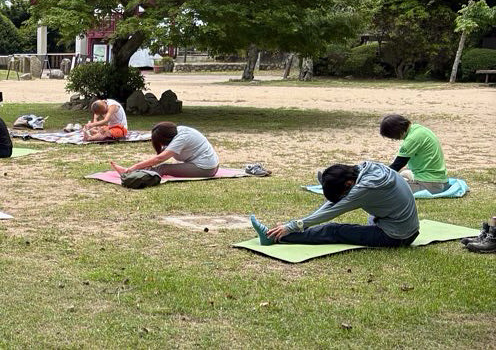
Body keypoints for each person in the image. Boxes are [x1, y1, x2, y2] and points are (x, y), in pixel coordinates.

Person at [250, 161, 419, 248]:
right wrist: (298, 223)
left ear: (348, 184)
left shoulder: (364, 188)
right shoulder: (365, 168)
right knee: (353, 228)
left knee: (334, 230)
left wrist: (293, 226)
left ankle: (274, 237)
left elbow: (332, 211)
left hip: (398, 237)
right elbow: (332, 204)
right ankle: (285, 232)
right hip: (398, 224)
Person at [110, 122, 219, 179]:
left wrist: (134, 167)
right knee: (157, 166)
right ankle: (131, 172)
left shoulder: (181, 138)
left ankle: (129, 174)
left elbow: (160, 158)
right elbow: (158, 157)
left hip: (205, 168)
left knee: (163, 168)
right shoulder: (178, 132)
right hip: (209, 165)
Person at [379, 114, 450, 194]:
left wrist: (379, 178)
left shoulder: (411, 139)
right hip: (441, 180)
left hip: (430, 184)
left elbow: (397, 165)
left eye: (392, 137)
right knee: (404, 174)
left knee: (389, 189)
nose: (395, 139)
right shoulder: (418, 129)